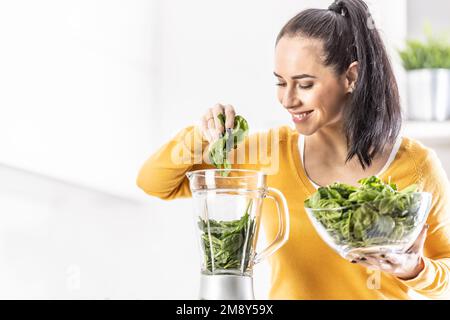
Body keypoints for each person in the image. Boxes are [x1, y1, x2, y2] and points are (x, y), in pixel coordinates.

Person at [136, 0, 450, 299]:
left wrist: (415, 269)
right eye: (280, 82)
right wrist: (201, 136)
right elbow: (154, 183)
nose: (288, 99)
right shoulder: (268, 154)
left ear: (350, 77)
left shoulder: (417, 166)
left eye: (304, 84)